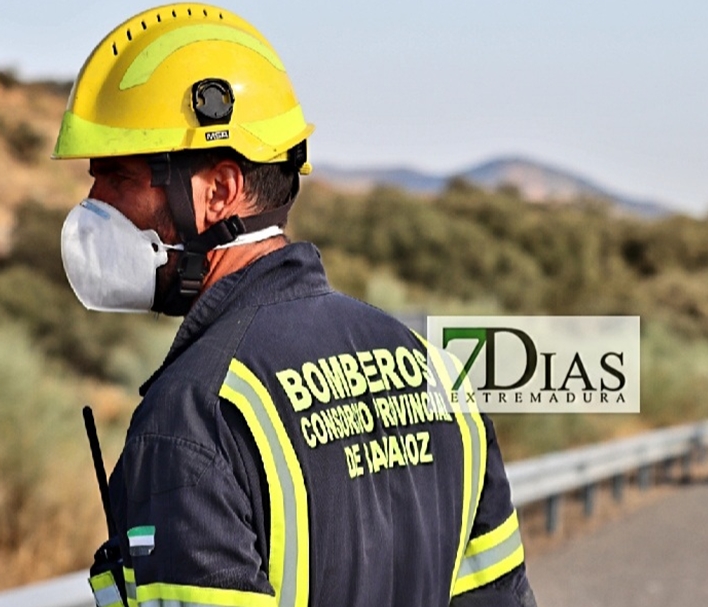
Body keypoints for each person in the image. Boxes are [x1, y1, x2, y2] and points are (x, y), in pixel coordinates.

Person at [52, 5, 536, 606]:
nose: (94, 205)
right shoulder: (436, 371)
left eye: (116, 177)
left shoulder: (193, 417)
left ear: (220, 191)